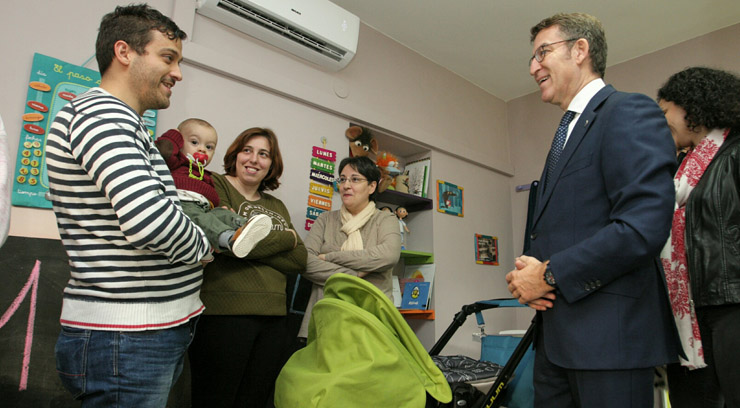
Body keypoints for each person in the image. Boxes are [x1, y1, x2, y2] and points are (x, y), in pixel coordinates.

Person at [505, 13, 680, 407]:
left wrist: (549, 274)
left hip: (609, 343)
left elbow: (642, 228)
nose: (533, 67)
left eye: (542, 53)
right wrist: (526, 278)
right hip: (554, 343)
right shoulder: (564, 133)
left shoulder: (628, 111)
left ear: (580, 49)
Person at [45, 5, 209, 407]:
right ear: (124, 52)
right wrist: (205, 248)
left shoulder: (125, 122)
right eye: (167, 58)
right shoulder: (102, 114)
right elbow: (150, 221)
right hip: (127, 338)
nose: (178, 73)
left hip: (141, 334)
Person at [187, 127, 307, 408]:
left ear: (271, 164)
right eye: (247, 150)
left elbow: (300, 259)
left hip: (275, 319)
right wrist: (284, 239)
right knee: (215, 399)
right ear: (235, 154)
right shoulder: (216, 185)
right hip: (225, 314)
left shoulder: (275, 204)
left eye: (263, 154)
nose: (254, 159)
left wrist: (247, 244)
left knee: (253, 401)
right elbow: (223, 241)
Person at [657, 67, 740, 408]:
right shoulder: (679, 171)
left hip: (731, 304)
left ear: (691, 107)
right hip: (688, 314)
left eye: (665, 112)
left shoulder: (734, 153)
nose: (662, 123)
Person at [299, 156, 401, 339]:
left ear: (371, 186)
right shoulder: (325, 220)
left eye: (355, 179)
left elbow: (388, 255)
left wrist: (329, 256)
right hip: (326, 319)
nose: (346, 185)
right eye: (343, 179)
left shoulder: (386, 220)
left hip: (372, 322)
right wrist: (354, 275)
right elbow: (304, 261)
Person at [156, 118, 272, 259]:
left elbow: (212, 197)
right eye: (194, 142)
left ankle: (245, 227)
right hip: (182, 206)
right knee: (204, 219)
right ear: (180, 143)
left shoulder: (206, 175)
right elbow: (163, 150)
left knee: (222, 214)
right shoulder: (176, 163)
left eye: (209, 147)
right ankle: (228, 239)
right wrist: (174, 134)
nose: (202, 149)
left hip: (203, 208)